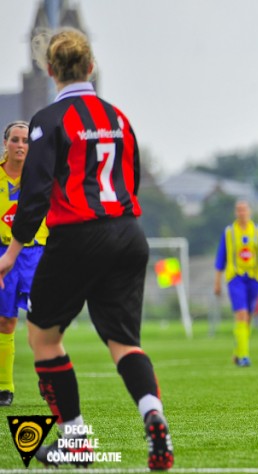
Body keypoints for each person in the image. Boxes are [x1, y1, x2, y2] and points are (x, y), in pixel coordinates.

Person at [0, 28, 173, 470]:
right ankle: (152, 411)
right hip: (128, 233)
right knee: (123, 342)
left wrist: (12, 252)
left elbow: (35, 195)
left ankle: (75, 438)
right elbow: (129, 180)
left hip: (78, 235)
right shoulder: (118, 117)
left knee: (43, 336)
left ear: (50, 69)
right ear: (91, 67)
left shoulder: (48, 120)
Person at [0, 121, 49, 407]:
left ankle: (49, 378)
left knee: (43, 321)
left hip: (36, 255)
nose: (20, 145)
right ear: (5, 143)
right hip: (3, 255)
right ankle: (5, 387)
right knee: (5, 321)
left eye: (26, 140)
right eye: (15, 140)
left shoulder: (42, 177)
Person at [214, 200, 258, 367]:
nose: (241, 213)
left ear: (250, 211)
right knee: (241, 314)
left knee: (249, 317)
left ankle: (238, 350)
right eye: (238, 210)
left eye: (244, 209)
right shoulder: (229, 232)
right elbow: (220, 259)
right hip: (235, 278)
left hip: (254, 278)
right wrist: (217, 282)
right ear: (235, 212)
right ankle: (244, 356)